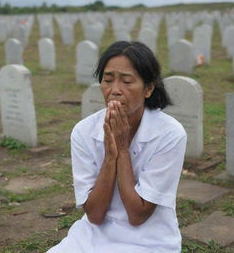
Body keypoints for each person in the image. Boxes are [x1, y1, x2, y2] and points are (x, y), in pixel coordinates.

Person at [47, 41, 187, 253]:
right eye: (108, 80)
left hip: (149, 239)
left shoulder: (169, 134)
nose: (114, 91)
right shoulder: (83, 132)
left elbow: (137, 215)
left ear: (148, 88)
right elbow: (94, 215)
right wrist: (110, 156)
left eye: (127, 81)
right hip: (93, 235)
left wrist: (122, 150)